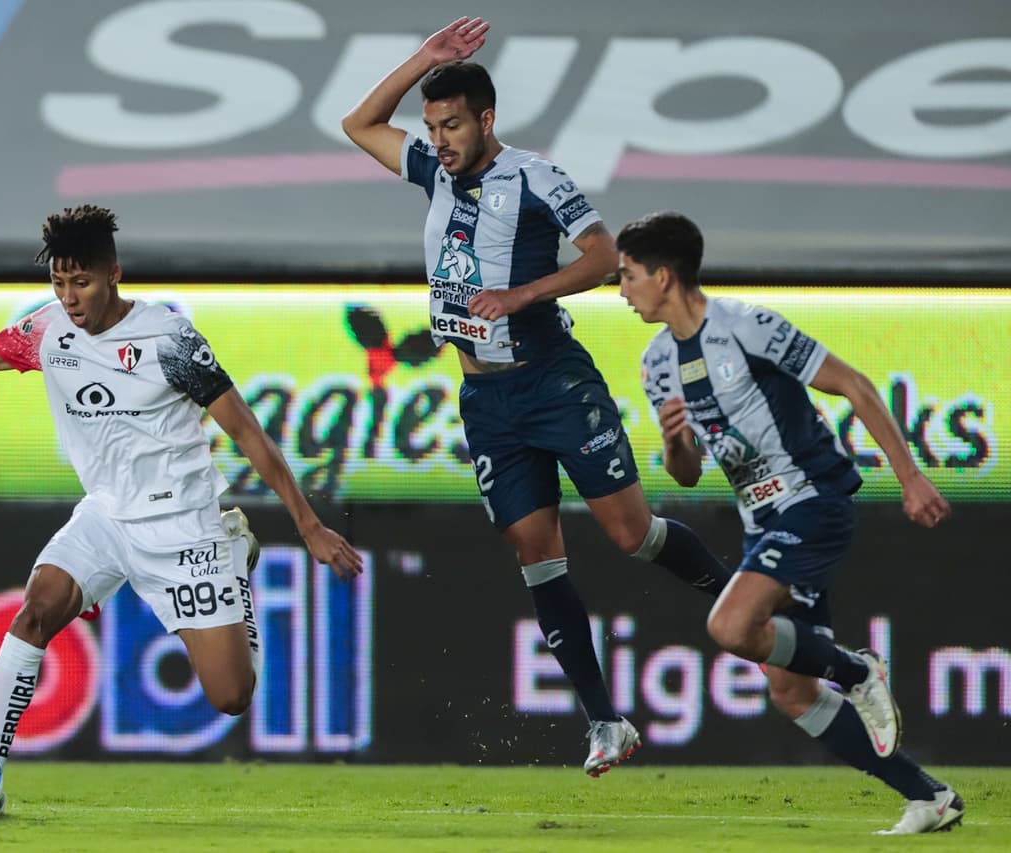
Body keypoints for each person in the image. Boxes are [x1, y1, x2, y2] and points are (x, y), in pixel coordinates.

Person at [342, 17, 733, 776]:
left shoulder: (533, 175)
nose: (440, 139)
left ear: (487, 120)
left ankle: (749, 601)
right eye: (432, 125)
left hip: (552, 379)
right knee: (534, 552)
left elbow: (602, 251)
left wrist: (524, 293)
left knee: (630, 533)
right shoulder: (431, 171)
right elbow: (358, 123)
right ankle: (606, 720)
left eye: (452, 124)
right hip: (486, 401)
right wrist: (425, 58)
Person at [0, 204, 363, 809]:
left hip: (184, 524)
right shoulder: (47, 331)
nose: (70, 296)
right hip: (107, 515)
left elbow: (247, 433)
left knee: (231, 696)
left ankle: (234, 559)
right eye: (59, 281)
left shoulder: (170, 339)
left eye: (81, 282)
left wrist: (309, 525)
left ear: (114, 274)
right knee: (37, 607)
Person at [619, 210, 963, 835]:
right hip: (762, 518)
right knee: (791, 690)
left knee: (729, 624)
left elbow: (854, 386)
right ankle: (929, 797)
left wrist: (910, 476)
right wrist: (674, 444)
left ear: (664, 276)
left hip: (812, 499)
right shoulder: (655, 364)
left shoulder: (746, 326)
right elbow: (689, 474)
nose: (621, 289)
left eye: (628, 275)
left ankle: (858, 670)